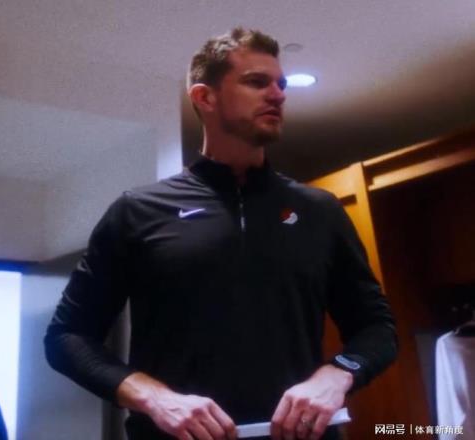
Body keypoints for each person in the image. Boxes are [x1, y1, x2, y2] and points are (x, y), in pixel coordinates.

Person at [45, 27, 397, 440]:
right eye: (257, 82)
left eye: (281, 84)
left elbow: (376, 328)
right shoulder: (136, 211)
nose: (278, 95)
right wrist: (154, 398)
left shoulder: (320, 211)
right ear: (204, 97)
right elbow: (68, 337)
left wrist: (337, 375)